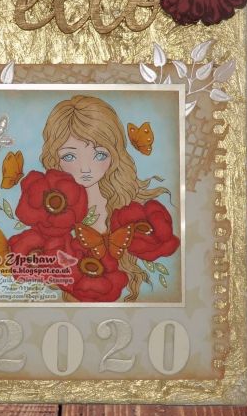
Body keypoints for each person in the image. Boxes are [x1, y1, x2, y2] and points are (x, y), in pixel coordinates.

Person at [39, 94, 175, 301]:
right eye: (70, 156)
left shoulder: (131, 210)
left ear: (115, 155)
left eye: (100, 154)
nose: (86, 168)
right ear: (54, 159)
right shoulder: (47, 214)